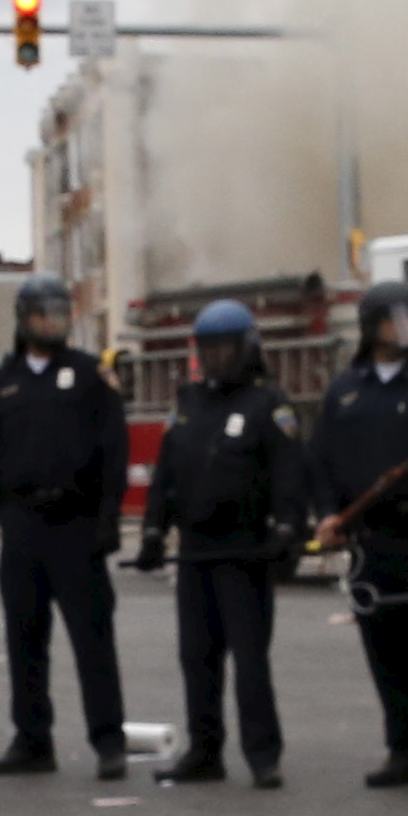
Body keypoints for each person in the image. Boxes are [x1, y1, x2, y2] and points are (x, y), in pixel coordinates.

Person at [135, 299, 306, 785]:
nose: (213, 358)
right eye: (206, 349)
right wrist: (153, 531)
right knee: (197, 657)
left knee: (250, 660)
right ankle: (205, 750)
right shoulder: (188, 405)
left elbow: (289, 473)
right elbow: (166, 474)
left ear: (248, 348)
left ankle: (263, 755)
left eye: (224, 348)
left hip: (244, 550)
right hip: (195, 550)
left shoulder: (269, 404)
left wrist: (287, 528)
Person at [308, 286, 408, 793]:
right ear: (371, 325)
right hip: (372, 538)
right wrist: (328, 514)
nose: (407, 327)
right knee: (386, 653)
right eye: (395, 319)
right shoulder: (346, 390)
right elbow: (322, 461)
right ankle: (404, 749)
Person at [0, 272, 132, 779]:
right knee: (24, 638)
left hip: (76, 524)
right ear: (24, 321)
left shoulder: (90, 376)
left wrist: (108, 518)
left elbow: (114, 450)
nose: (53, 323)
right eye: (43, 314)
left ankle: (109, 742)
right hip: (22, 526)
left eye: (60, 314)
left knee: (92, 639)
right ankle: (32, 739)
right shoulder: (5, 383)